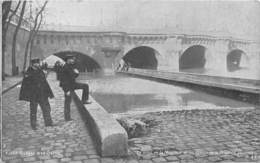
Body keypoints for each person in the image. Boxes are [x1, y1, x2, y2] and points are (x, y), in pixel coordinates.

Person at [19, 58, 54, 130]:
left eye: (38, 63)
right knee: (33, 110)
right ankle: (33, 125)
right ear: (33, 64)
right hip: (33, 95)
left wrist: (49, 93)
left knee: (46, 108)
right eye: (36, 63)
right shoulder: (28, 72)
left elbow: (45, 83)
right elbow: (25, 85)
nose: (38, 64)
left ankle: (48, 123)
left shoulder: (40, 71)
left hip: (42, 94)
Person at [59, 55, 91, 121]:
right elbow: (63, 80)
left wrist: (76, 73)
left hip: (73, 84)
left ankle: (84, 100)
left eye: (73, 59)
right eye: (71, 59)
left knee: (85, 86)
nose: (73, 60)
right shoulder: (64, 67)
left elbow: (72, 77)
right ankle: (67, 117)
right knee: (67, 102)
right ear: (68, 60)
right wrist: (66, 90)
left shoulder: (70, 67)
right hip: (68, 87)